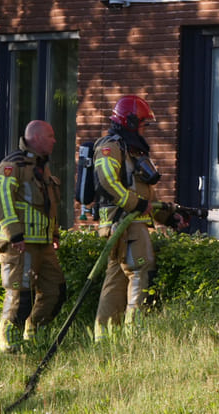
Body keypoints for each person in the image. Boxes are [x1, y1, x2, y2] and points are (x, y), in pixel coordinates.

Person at [92, 95, 184, 342]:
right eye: (142, 123)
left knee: (117, 279)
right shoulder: (111, 148)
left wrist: (169, 217)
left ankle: (105, 338)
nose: (144, 128)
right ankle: (135, 335)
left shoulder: (131, 151)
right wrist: (137, 204)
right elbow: (108, 182)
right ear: (130, 121)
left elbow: (145, 197)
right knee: (140, 272)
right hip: (124, 222)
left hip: (129, 222)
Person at [0, 120, 66, 353]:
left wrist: (54, 233)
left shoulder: (43, 167)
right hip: (20, 246)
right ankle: (9, 343)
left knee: (56, 291)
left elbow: (48, 205)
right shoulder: (12, 165)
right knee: (19, 295)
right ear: (37, 138)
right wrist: (15, 235)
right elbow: (1, 200)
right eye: (51, 136)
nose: (55, 140)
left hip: (43, 244)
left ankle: (33, 332)